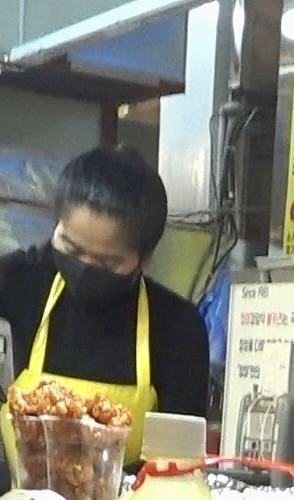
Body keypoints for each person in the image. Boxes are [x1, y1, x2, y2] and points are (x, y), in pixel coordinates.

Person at [0, 145, 210, 478]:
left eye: (108, 262)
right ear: (56, 227)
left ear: (145, 259)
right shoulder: (18, 285)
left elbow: (180, 464)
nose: (84, 268)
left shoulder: (176, 326)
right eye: (71, 248)